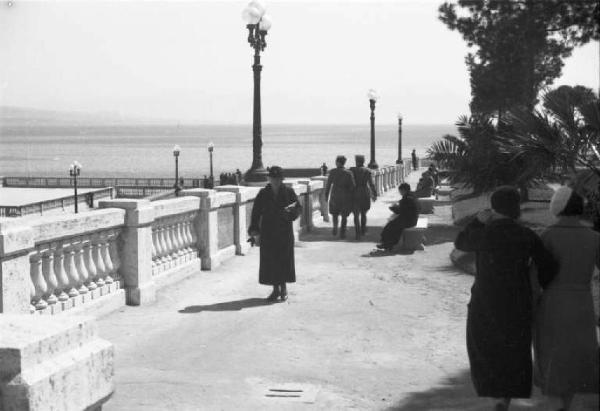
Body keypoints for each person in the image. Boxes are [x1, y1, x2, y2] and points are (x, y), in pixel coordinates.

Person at [454, 186, 557, 411]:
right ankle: (506, 397)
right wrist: (542, 287)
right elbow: (548, 265)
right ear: (516, 207)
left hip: (485, 299)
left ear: (494, 207)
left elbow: (460, 242)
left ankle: (494, 395)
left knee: (484, 346)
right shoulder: (525, 234)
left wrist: (477, 222)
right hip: (517, 300)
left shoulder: (485, 233)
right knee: (515, 351)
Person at [534, 187, 599, 411]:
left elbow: (535, 275)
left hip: (552, 302)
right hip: (582, 304)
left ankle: (556, 406)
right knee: (574, 362)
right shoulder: (594, 238)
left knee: (553, 360)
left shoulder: (547, 235)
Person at [248, 166, 301, 302]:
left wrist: (290, 213)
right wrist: (255, 232)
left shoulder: (289, 192)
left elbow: (298, 209)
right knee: (271, 262)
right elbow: (255, 213)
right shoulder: (263, 194)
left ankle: (283, 288)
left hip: (284, 232)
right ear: (269, 179)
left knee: (283, 260)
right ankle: (275, 290)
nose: (276, 181)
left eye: (278, 179)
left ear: (282, 180)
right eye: (273, 179)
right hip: (268, 232)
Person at [376, 183, 418, 251]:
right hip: (411, 219)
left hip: (409, 220)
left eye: (400, 191)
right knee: (394, 226)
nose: (400, 193)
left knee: (389, 226)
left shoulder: (408, 198)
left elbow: (401, 210)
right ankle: (388, 244)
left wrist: (393, 208)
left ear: (404, 190)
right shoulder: (411, 195)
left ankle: (387, 244)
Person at [325, 155, 356, 239]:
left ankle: (335, 227)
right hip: (345, 196)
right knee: (344, 215)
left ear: (338, 162)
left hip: (335, 195)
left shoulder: (332, 172)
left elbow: (328, 185)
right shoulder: (349, 173)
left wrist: (326, 195)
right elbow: (352, 186)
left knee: (335, 214)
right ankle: (342, 232)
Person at [350, 155, 377, 239]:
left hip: (355, 193)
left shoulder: (352, 170)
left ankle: (357, 233)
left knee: (356, 214)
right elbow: (371, 184)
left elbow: (349, 182)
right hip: (365, 192)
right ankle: (363, 230)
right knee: (363, 213)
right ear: (363, 161)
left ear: (357, 161)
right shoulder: (367, 171)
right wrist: (374, 194)